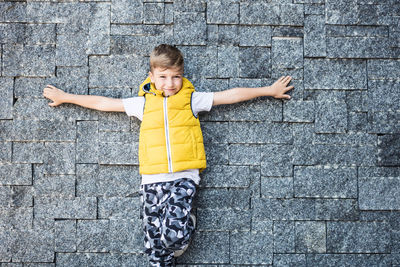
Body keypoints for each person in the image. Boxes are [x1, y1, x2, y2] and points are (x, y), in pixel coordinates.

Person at [43, 44, 294, 267]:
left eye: (176, 77)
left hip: (184, 177)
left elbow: (230, 95)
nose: (170, 83)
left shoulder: (191, 100)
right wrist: (65, 97)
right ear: (151, 76)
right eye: (163, 77)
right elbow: (103, 103)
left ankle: (189, 222)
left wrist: (268, 90)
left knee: (174, 238)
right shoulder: (141, 103)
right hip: (151, 180)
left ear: (182, 76)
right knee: (155, 249)